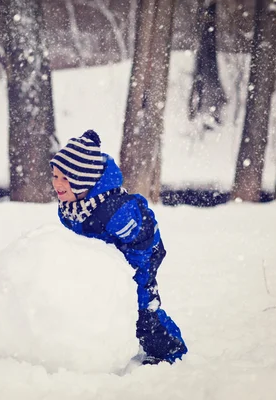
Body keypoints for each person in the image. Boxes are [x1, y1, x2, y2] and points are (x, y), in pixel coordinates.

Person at [50, 129, 188, 365]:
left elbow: (140, 243)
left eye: (65, 178)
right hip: (107, 256)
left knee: (141, 308)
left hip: (142, 253)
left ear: (82, 180)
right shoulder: (71, 206)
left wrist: (130, 275)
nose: (58, 185)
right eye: (55, 176)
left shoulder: (115, 213)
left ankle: (170, 349)